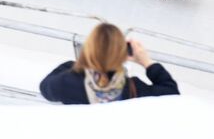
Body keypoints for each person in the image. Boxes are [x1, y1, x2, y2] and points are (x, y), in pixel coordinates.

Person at [39, 23, 179, 104]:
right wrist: (146, 62)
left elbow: (44, 88)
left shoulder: (66, 81)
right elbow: (171, 94)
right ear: (123, 54)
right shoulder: (133, 89)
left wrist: (76, 64)